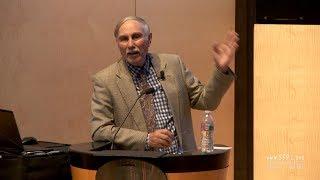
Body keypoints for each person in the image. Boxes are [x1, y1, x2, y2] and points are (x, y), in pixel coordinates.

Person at [90, 16, 238, 154]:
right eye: (123, 39)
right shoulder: (105, 80)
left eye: (136, 36)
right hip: (137, 166)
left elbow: (206, 101)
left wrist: (221, 69)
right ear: (117, 43)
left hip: (180, 164)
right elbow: (100, 130)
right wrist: (146, 139)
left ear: (149, 39)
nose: (130, 44)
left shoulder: (173, 65)